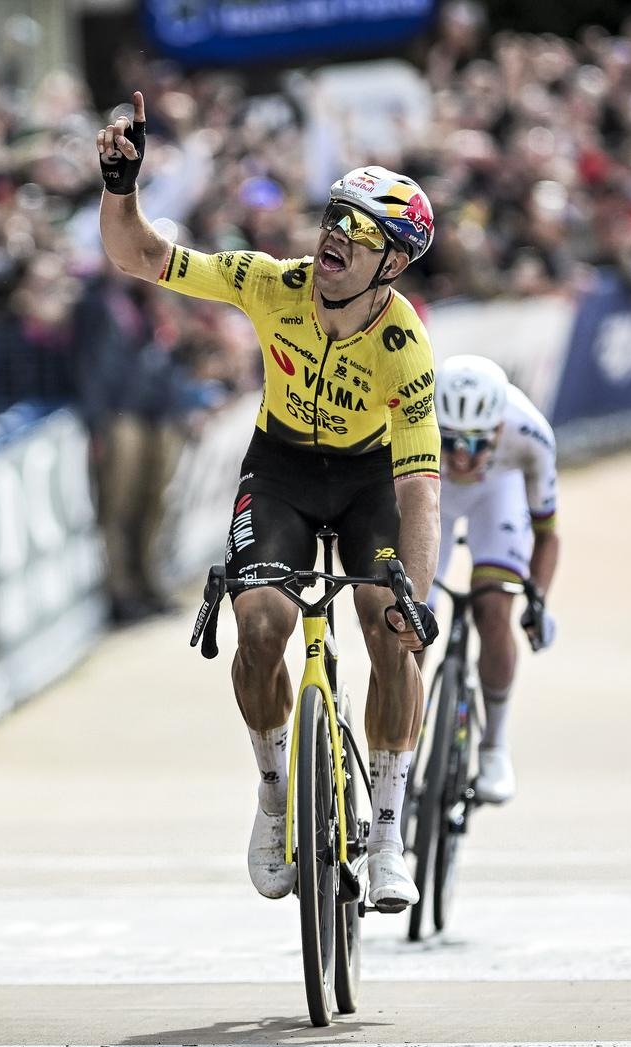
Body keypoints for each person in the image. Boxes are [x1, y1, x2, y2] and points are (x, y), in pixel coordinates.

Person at [97, 92, 442, 912]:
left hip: (369, 482)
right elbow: (140, 256)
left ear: (392, 264)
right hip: (282, 468)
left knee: (390, 634)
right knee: (259, 626)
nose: (335, 236)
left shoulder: (404, 346)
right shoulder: (270, 282)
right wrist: (120, 185)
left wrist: (414, 600)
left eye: (359, 232)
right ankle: (274, 789)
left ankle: (388, 830)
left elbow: (420, 486)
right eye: (334, 216)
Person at [431, 354, 560, 804]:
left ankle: (494, 745)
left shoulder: (530, 432)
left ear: (499, 430)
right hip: (433, 492)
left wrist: (537, 601)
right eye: (449, 441)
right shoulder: (410, 415)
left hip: (499, 493)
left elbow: (547, 535)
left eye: (475, 442)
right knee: (409, 618)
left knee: (492, 608)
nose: (462, 456)